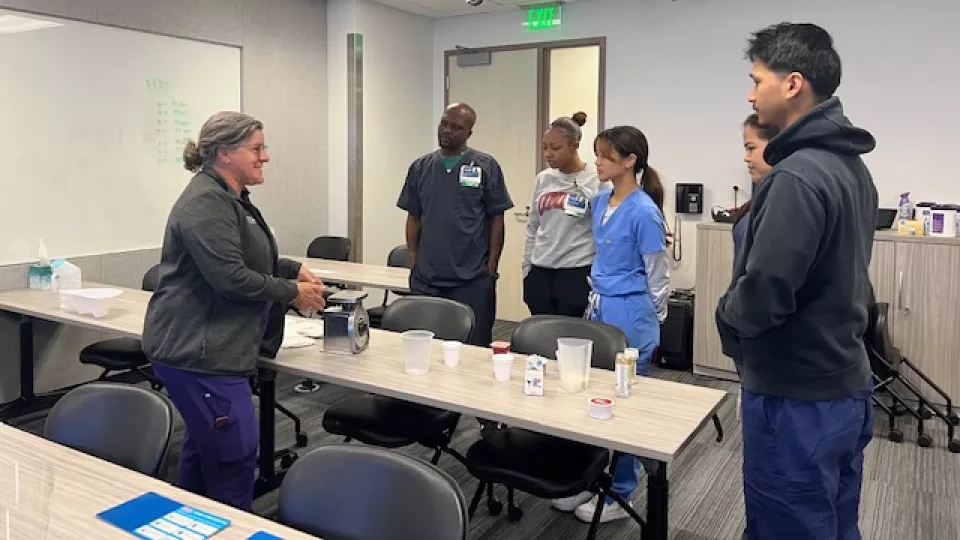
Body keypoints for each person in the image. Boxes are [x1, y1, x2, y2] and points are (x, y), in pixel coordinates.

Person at [715, 22, 878, 540]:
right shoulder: (851, 168)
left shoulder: (796, 177)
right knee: (832, 520)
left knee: (786, 525)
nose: (750, 92)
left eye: (757, 79)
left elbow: (764, 296)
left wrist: (725, 315)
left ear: (792, 84)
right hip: (843, 383)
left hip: (796, 399)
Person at [142, 111, 327, 511]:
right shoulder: (206, 202)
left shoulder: (228, 196)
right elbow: (229, 277)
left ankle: (190, 523)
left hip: (209, 347)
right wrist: (292, 292)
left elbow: (246, 253)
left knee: (205, 447)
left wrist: (292, 269)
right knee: (233, 457)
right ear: (224, 152)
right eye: (257, 149)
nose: (266, 157)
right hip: (199, 351)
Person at [553, 126, 670, 523]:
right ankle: (587, 480)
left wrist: (655, 318)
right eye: (597, 154)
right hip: (599, 308)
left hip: (631, 312)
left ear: (630, 160)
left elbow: (658, 274)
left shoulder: (645, 211)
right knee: (591, 397)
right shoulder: (602, 199)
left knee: (624, 404)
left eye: (604, 156)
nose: (597, 162)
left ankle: (621, 493)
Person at [397, 102, 514, 347]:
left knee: (475, 345)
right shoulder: (420, 168)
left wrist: (491, 265)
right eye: (444, 124)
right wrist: (413, 258)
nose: (447, 131)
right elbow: (414, 217)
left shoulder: (485, 166)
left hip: (472, 277)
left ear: (469, 133)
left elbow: (497, 219)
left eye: (456, 127)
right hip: (427, 277)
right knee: (426, 343)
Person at [522, 112, 601, 317]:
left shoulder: (595, 181)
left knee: (570, 337)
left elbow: (603, 231)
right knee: (540, 334)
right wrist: (527, 269)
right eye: (545, 147)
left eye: (555, 148)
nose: (548, 154)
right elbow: (533, 226)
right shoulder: (543, 179)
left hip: (576, 270)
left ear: (574, 146)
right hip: (540, 270)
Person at [732, 114, 779, 252]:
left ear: (775, 144)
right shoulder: (760, 201)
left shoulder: (785, 204)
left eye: (751, 148)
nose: (746, 158)